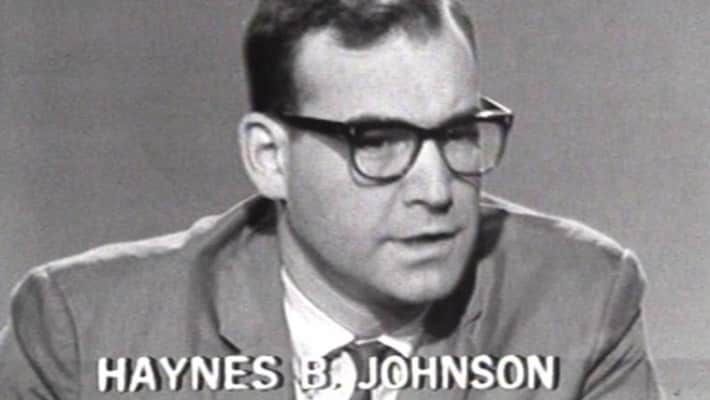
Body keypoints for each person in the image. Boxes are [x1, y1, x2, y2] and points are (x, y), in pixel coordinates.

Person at [0, 0, 662, 398]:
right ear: (271, 158)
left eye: (458, 134)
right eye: (377, 141)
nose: (437, 191)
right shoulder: (80, 333)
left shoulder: (582, 300)